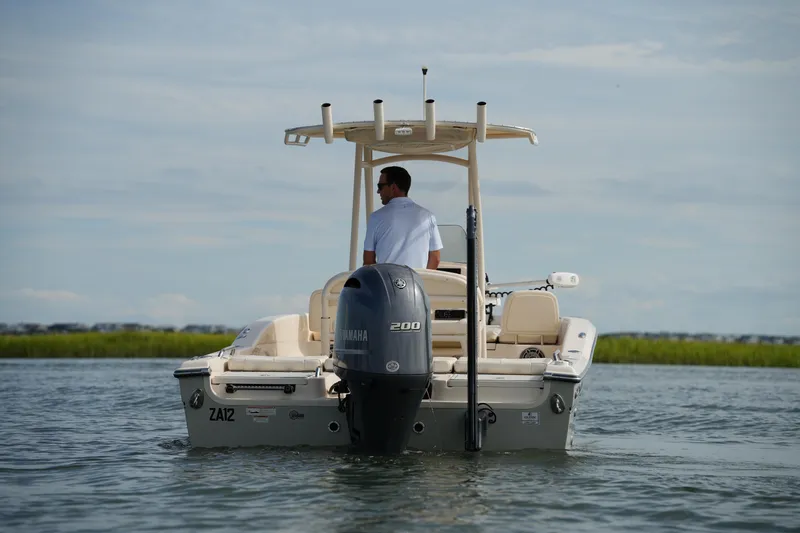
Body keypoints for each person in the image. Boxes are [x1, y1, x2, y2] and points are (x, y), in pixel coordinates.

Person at [363, 166, 443, 270]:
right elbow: (435, 258)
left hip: (387, 284)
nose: (378, 191)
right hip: (417, 284)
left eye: (380, 186)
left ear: (393, 187)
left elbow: (368, 262)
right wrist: (422, 282)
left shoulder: (375, 218)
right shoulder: (428, 217)